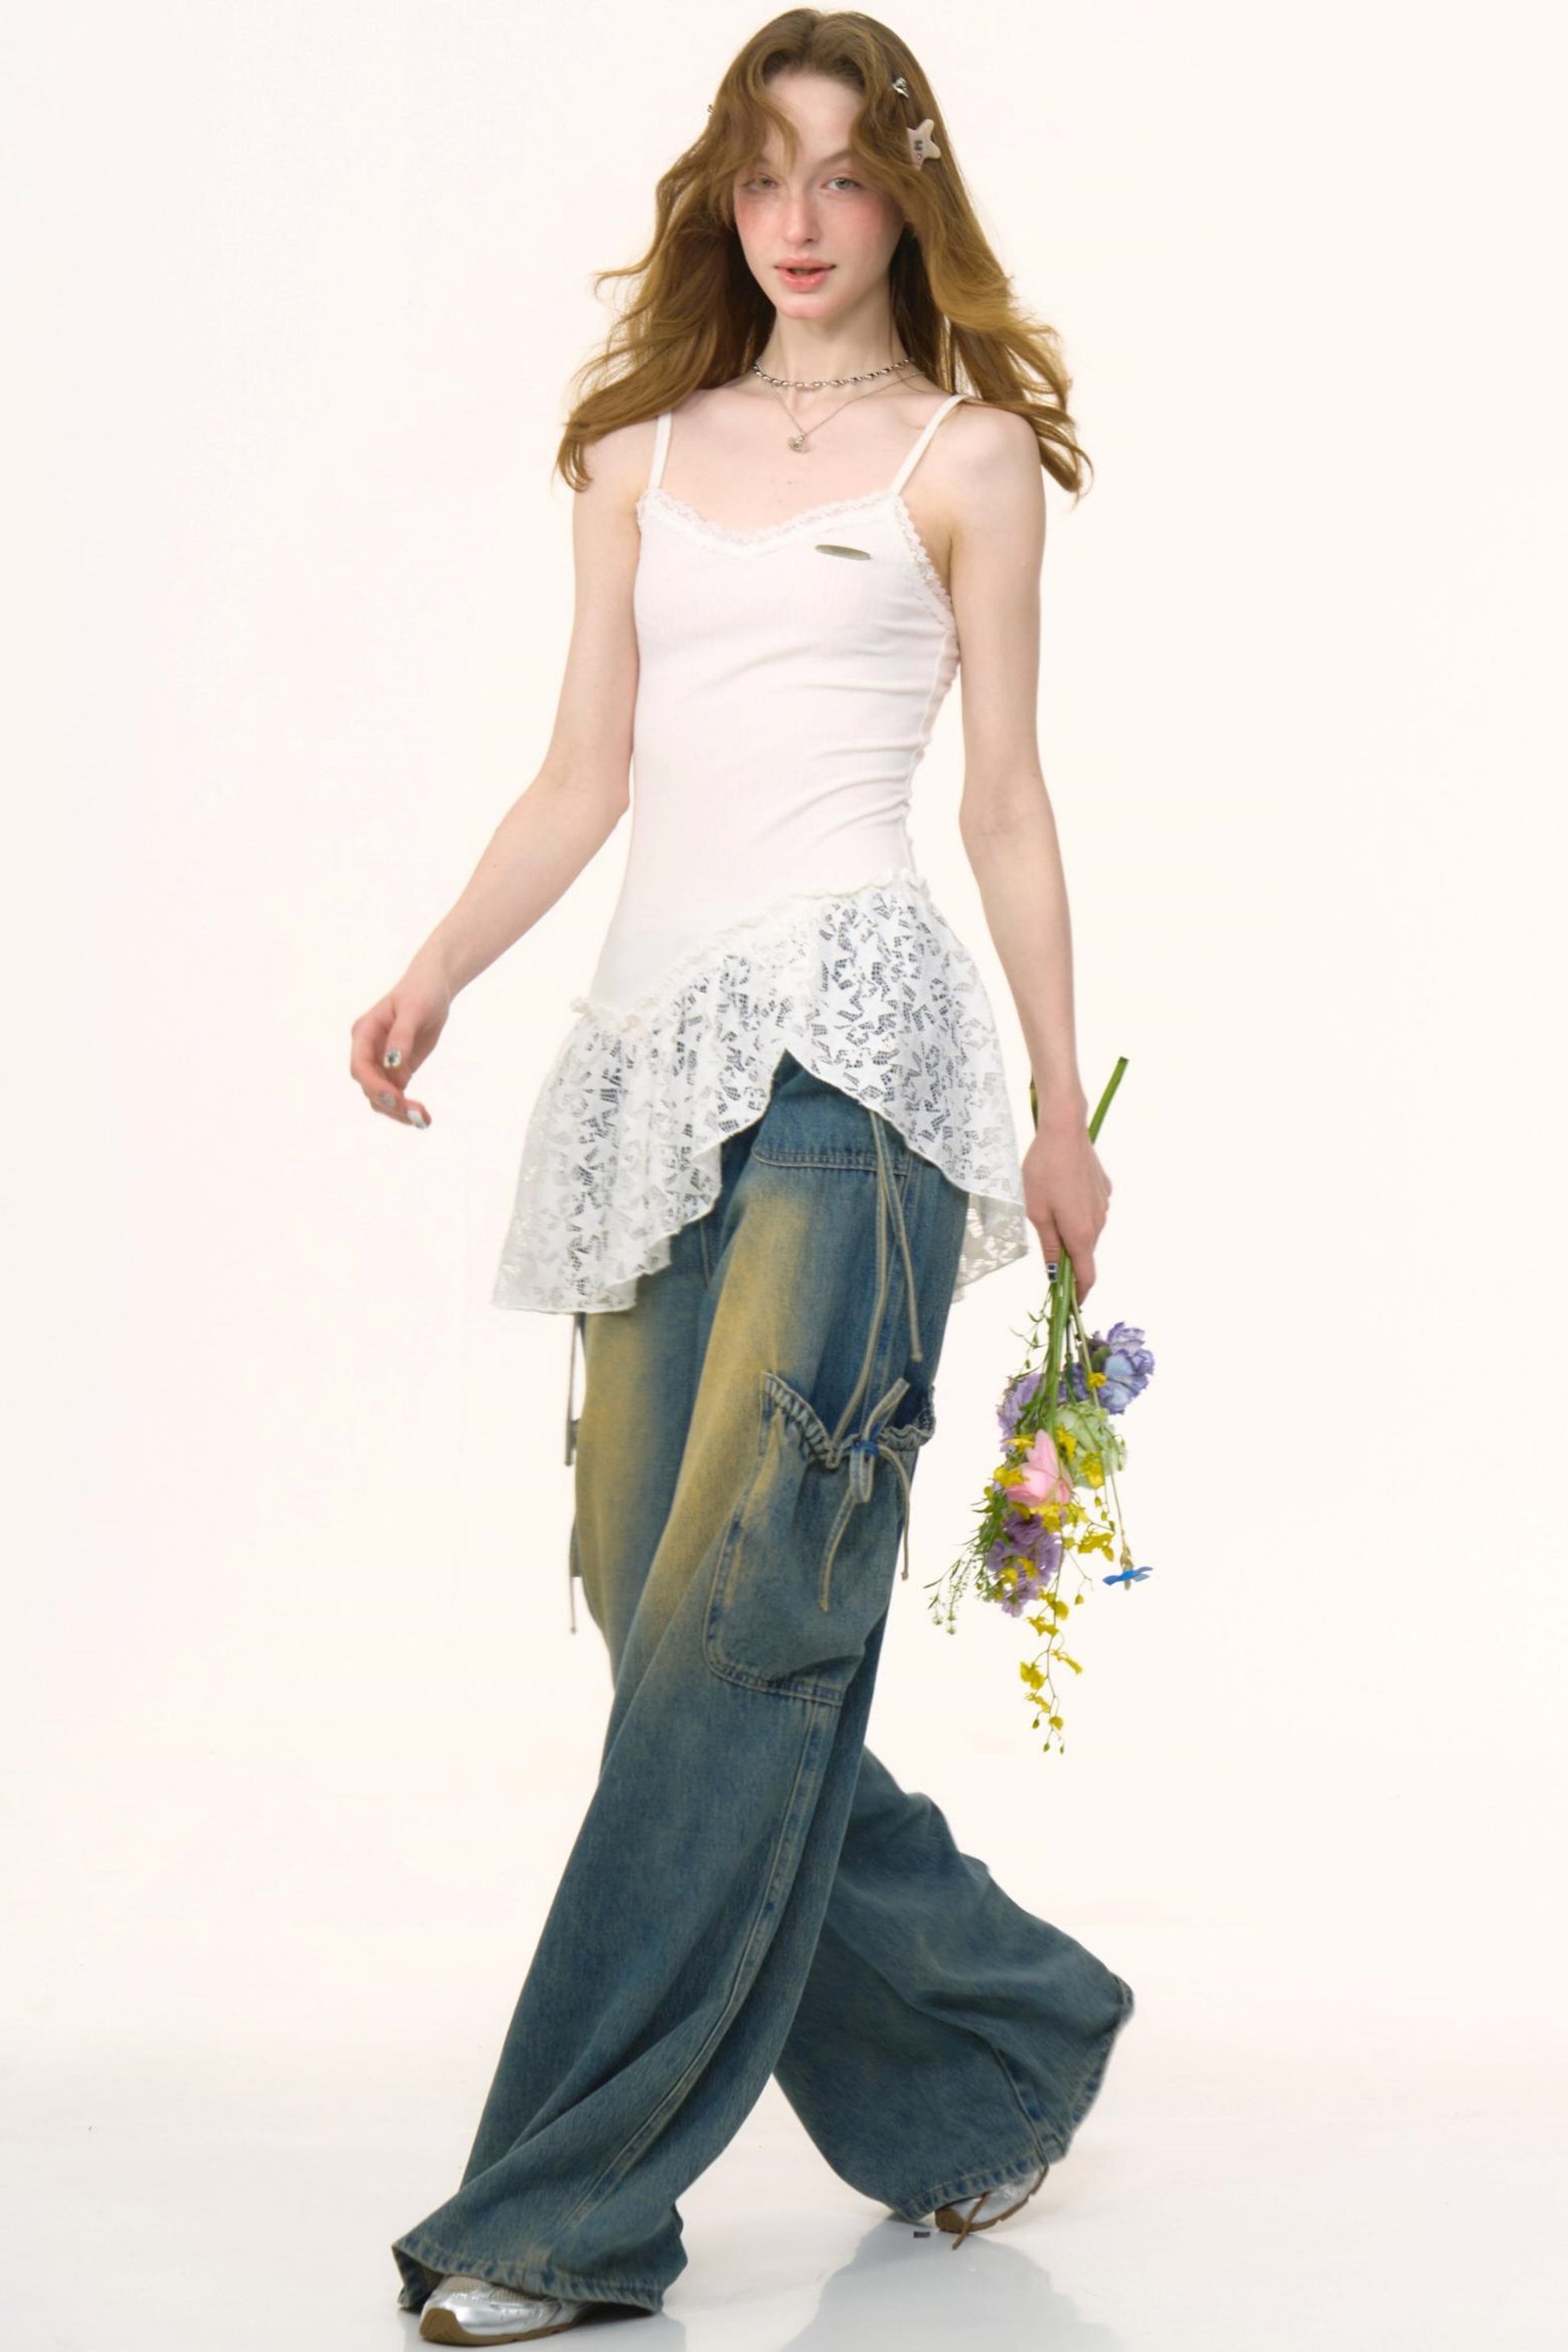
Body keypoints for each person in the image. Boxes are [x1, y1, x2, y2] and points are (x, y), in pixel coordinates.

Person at [349, 15, 1135, 2344]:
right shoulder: (631, 456)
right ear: (721, 195)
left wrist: (1059, 1103)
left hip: (854, 1077)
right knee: (670, 1620)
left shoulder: (967, 459)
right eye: (764, 172)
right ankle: (998, 2047)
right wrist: (436, 971)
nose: (800, 217)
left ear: (908, 198)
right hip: (646, 1069)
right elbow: (583, 769)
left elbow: (1004, 797)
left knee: (739, 1627)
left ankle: (563, 2211)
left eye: (846, 173)